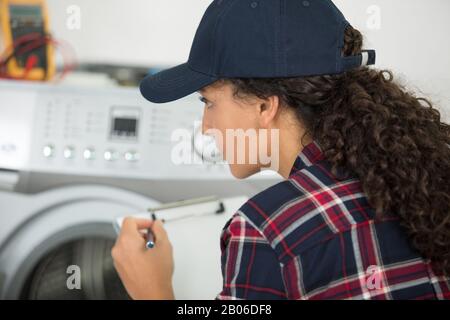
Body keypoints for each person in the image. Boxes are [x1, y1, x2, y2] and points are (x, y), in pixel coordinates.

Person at [111, 0, 450, 300]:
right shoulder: (417, 181)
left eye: (209, 102)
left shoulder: (267, 231)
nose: (205, 126)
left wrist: (152, 290)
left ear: (264, 106)